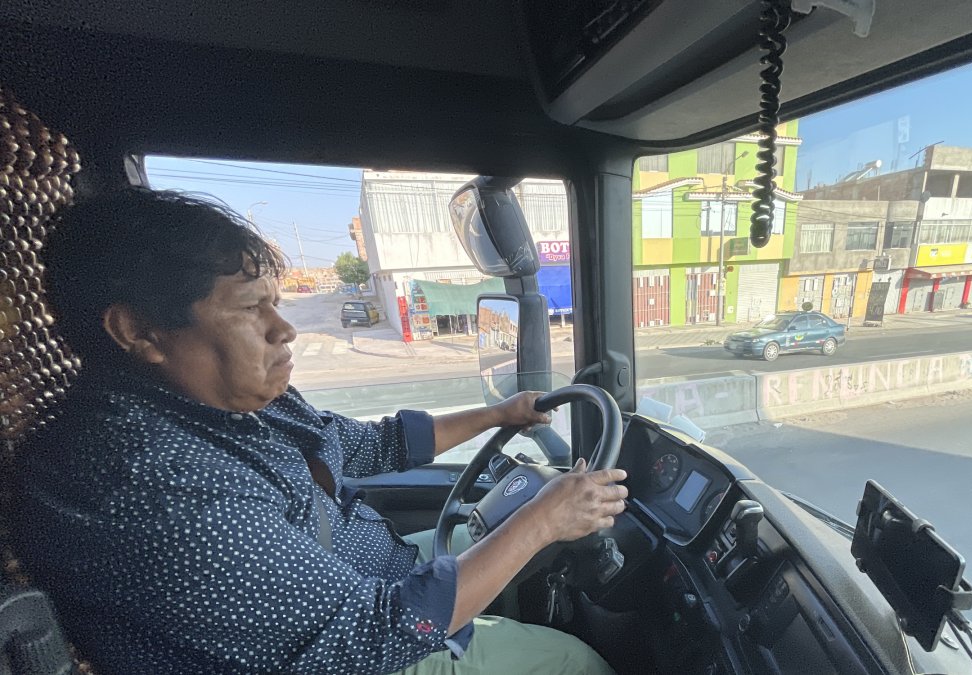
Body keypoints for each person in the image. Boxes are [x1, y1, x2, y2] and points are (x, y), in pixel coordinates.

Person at [12, 189, 626, 674]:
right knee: (575, 662)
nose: (287, 330)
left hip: (376, 581)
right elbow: (369, 638)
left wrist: (498, 414)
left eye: (277, 303)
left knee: (494, 534)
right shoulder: (144, 481)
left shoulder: (231, 403)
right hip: (366, 644)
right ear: (138, 331)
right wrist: (542, 521)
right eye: (251, 308)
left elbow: (364, 444)